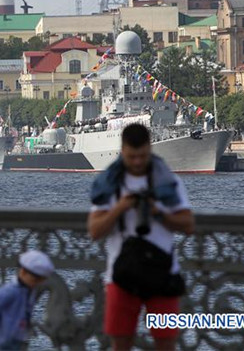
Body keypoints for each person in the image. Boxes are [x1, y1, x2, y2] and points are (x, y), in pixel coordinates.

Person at [87, 124, 195, 351]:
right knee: (121, 342)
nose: (137, 162)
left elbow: (187, 225)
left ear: (150, 148)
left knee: (166, 343)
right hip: (122, 276)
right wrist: (120, 208)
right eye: (132, 156)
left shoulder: (168, 182)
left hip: (162, 274)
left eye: (143, 156)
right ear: (122, 150)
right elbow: (94, 231)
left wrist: (159, 212)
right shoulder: (109, 184)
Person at [0, 250, 55, 350]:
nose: (37, 284)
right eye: (35, 280)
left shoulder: (28, 291)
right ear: (23, 272)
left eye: (40, 281)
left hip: (16, 338)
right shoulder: (10, 290)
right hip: (0, 339)